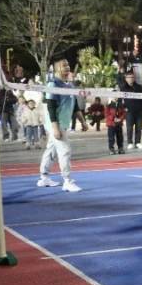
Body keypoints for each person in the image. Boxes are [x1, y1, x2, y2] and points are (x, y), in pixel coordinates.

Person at [38, 58, 86, 192]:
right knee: (65, 151)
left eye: (68, 65)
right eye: (64, 65)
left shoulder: (70, 85)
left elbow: (75, 106)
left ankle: (44, 177)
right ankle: (67, 181)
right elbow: (51, 107)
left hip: (64, 123)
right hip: (55, 123)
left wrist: (82, 121)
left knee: (51, 150)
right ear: (57, 68)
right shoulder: (53, 84)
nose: (67, 67)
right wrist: (55, 128)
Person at [119, 71, 142, 150]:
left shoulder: (139, 87)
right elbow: (120, 100)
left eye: (132, 77)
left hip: (139, 111)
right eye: (129, 77)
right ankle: (130, 142)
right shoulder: (123, 88)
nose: (131, 79)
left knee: (139, 127)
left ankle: (138, 142)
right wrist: (124, 108)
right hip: (129, 111)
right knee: (129, 128)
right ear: (126, 78)